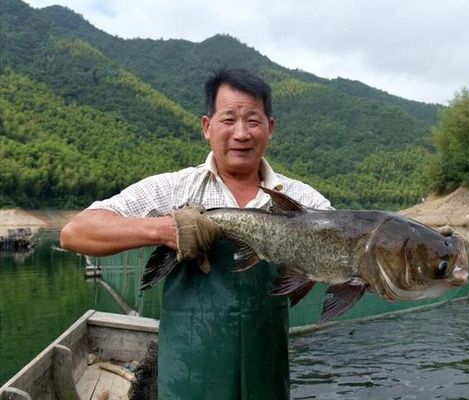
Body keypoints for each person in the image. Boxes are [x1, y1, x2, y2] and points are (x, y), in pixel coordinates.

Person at [61, 68, 332, 399]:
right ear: (207, 127)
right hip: (189, 379)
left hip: (266, 381)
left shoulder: (303, 202)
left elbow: (347, 252)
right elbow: (76, 233)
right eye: (229, 119)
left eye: (253, 121)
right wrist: (164, 229)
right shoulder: (175, 189)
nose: (241, 133)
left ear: (270, 129)